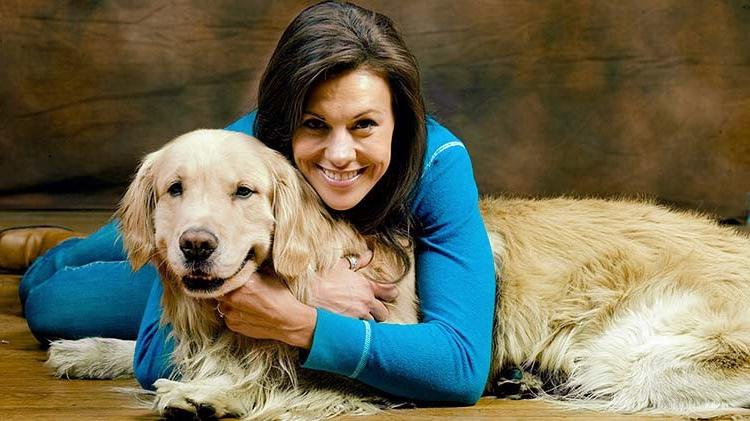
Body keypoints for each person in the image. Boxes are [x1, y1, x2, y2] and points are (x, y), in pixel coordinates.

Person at [8, 1, 495, 404]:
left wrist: (302, 317)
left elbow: (459, 368)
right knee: (55, 292)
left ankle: (69, 250)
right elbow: (153, 361)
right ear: (284, 123)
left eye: (365, 124)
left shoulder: (440, 164)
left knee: (55, 308)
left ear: (400, 120)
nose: (341, 154)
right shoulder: (246, 144)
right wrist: (302, 286)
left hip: (225, 260)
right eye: (315, 124)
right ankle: (66, 248)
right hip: (212, 242)